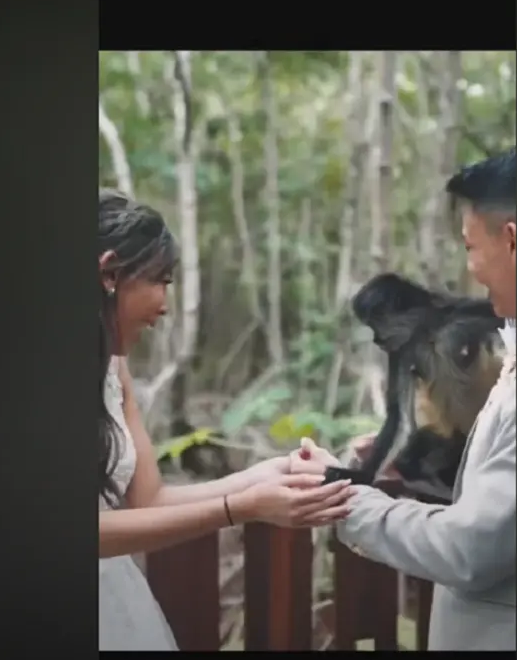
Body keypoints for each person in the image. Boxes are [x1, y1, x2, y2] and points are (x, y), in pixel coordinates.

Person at [96, 189, 355, 651]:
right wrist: (243, 508)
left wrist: (257, 477)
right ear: (109, 273)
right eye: (160, 280)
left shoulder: (113, 368)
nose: (165, 305)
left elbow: (149, 501)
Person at [291, 150, 517, 650]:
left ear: (513, 240)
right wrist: (355, 475)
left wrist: (346, 499)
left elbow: (469, 550)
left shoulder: (459, 327)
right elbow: (395, 422)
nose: (471, 267)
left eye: (470, 247)